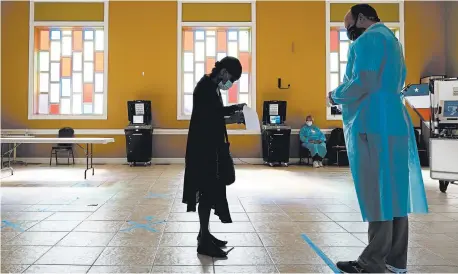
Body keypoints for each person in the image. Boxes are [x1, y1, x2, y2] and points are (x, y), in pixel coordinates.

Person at [328, 4, 428, 273]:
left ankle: (372, 261)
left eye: (349, 26)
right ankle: (396, 261)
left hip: (371, 122)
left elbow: (364, 82)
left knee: (376, 192)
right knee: (395, 191)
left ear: (362, 18)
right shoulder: (392, 40)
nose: (350, 33)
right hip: (394, 122)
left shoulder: (368, 39)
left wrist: (335, 95)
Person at [182, 56, 246, 258]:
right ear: (224, 72)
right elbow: (210, 119)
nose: (231, 84)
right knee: (206, 192)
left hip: (209, 148)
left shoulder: (211, 87)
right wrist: (233, 119)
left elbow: (215, 111)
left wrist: (235, 107)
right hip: (203, 151)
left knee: (209, 192)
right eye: (232, 79)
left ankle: (205, 234)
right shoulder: (204, 88)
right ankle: (203, 241)